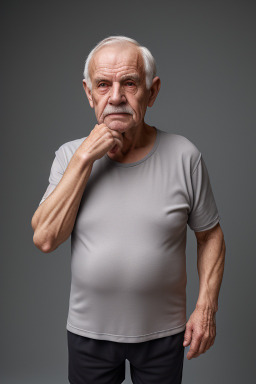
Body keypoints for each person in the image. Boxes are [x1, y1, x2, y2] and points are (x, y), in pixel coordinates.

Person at [31, 35, 226, 384]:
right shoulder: (69, 156)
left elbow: (210, 235)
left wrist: (206, 306)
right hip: (88, 335)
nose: (116, 97)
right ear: (89, 94)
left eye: (130, 83)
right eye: (103, 85)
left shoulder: (185, 156)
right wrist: (84, 157)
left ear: (152, 92)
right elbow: (45, 238)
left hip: (164, 335)